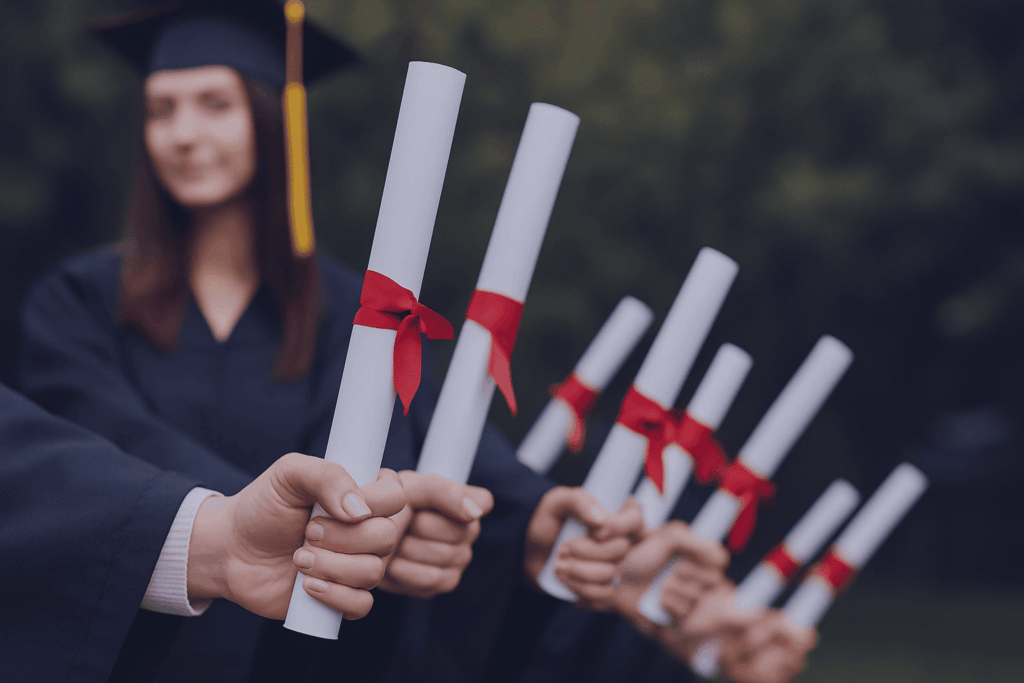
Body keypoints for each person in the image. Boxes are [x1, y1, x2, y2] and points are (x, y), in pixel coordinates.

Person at [18, 1, 642, 680]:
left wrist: (530, 516)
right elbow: (105, 439)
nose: (184, 133)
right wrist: (264, 513)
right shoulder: (78, 299)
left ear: (271, 114)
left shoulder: (356, 310)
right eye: (162, 109)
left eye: (214, 104)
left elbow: (431, 425)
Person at [0, 380, 403, 682]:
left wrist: (388, 515)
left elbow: (365, 459)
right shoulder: (75, 295)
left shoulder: (335, 312)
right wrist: (217, 530)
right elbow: (92, 419)